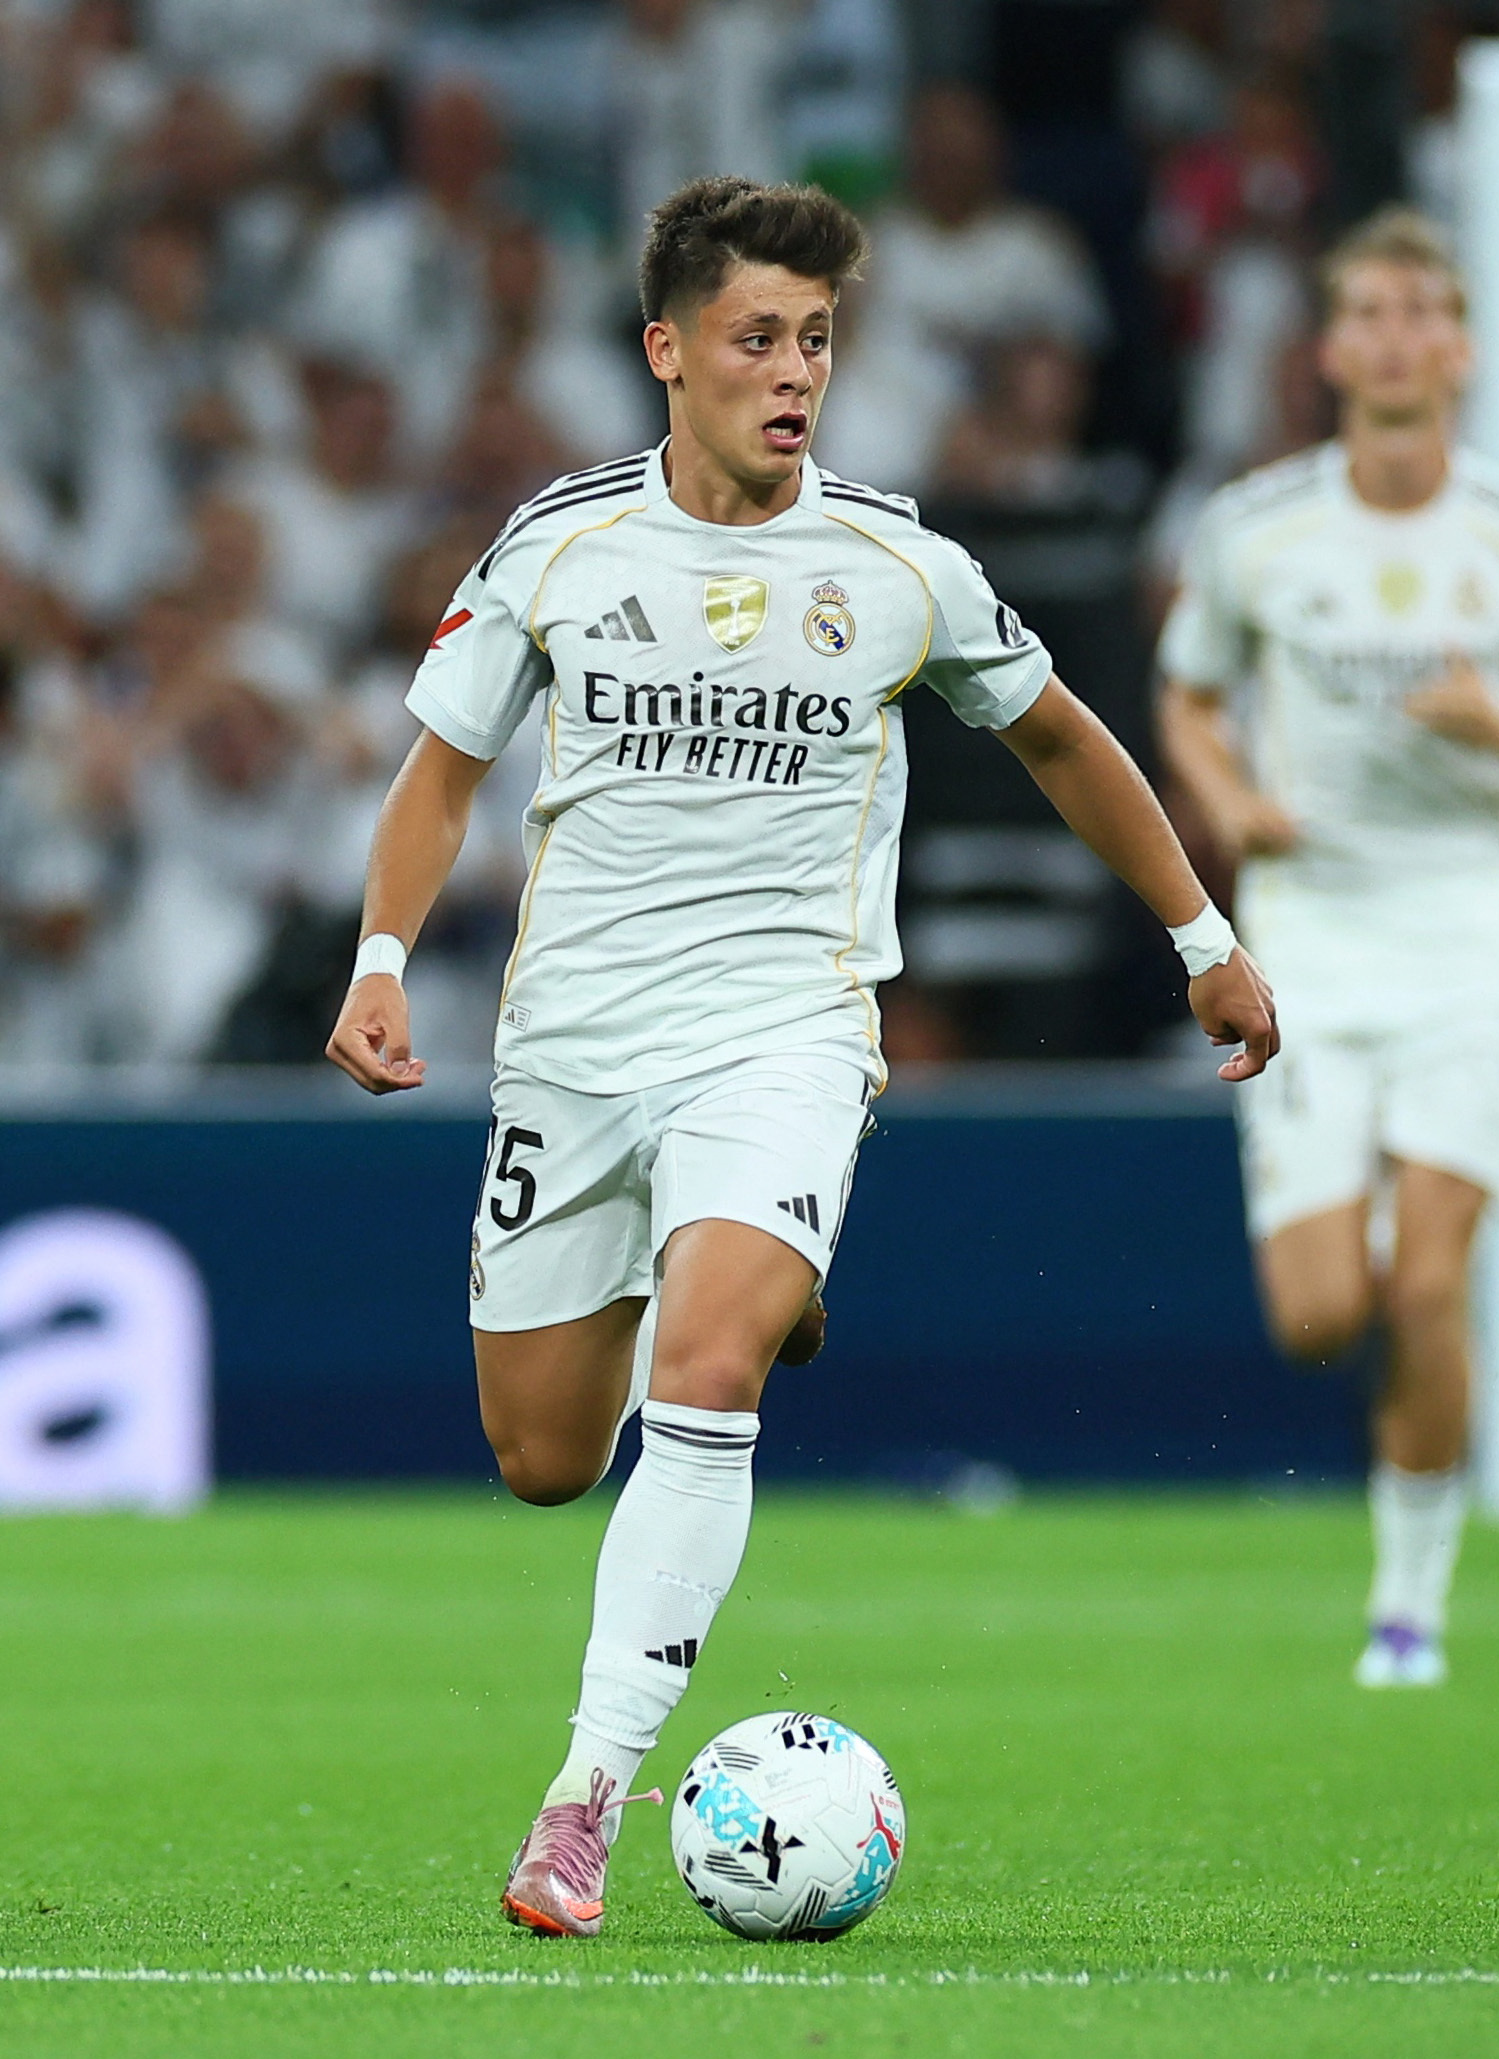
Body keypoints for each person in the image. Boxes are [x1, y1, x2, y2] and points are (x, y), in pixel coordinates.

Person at [325, 175, 1276, 1937]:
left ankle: (582, 1801)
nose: (794, 373)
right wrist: (381, 960)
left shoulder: (901, 566)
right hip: (575, 1047)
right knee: (543, 1454)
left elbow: (1066, 740)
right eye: (757, 337)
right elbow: (442, 771)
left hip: (786, 1030)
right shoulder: (560, 544)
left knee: (707, 1370)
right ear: (665, 350)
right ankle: (743, 1280)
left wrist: (1202, 937)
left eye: (819, 341)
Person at [1157, 207, 1499, 1691]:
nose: (1392, 338)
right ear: (1328, 349)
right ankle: (1368, 1221)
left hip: (1477, 933)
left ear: (1464, 349)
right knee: (1322, 1318)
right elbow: (1187, 696)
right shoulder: (1255, 531)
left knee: (1430, 1288)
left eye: (1420, 311)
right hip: (1313, 937)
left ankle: (1409, 1611)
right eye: (1366, 312)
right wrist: (1231, 801)